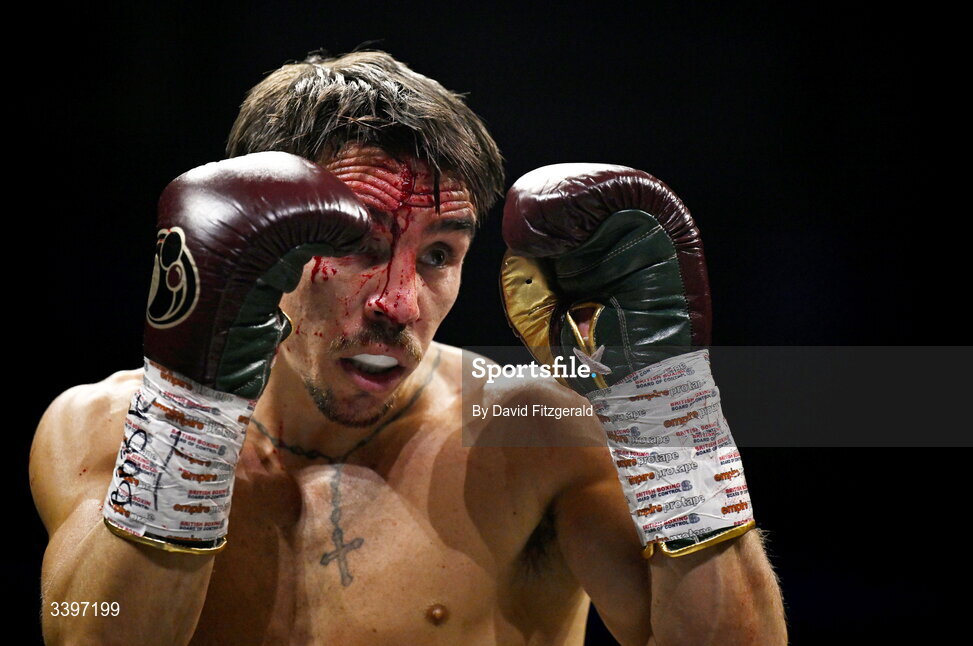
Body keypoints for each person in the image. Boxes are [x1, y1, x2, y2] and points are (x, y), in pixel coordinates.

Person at [31, 50, 786, 645]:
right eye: (358, 246)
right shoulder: (103, 427)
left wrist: (669, 413)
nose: (399, 304)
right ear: (261, 242)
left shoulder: (533, 440)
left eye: (437, 255)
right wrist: (187, 417)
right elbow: (92, 635)